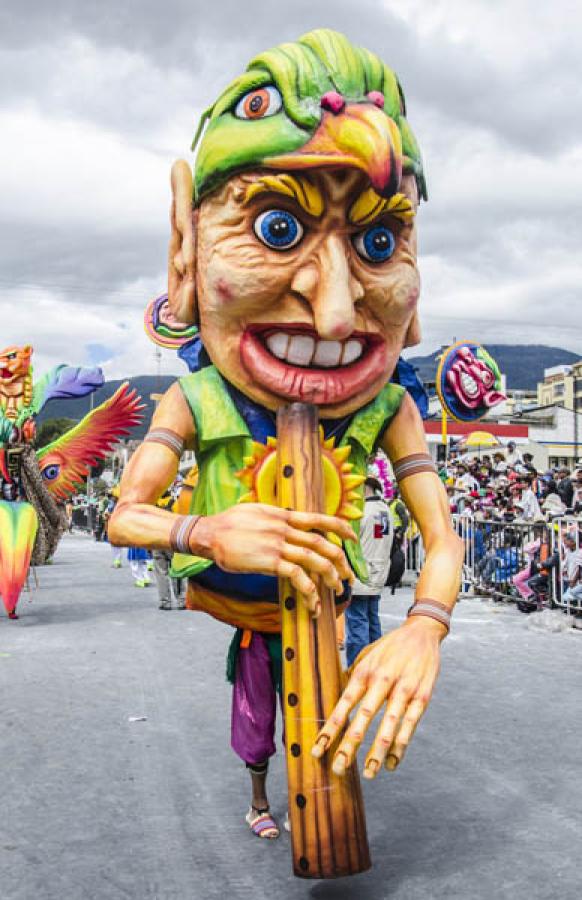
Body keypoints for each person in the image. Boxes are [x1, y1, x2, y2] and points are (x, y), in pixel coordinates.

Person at [109, 29, 463, 844]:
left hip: (328, 602)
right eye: (276, 228)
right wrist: (205, 531)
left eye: (380, 242)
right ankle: (261, 789)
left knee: (334, 707)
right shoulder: (197, 398)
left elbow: (442, 536)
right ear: (186, 250)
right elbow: (127, 514)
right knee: (254, 705)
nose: (337, 312)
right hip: (242, 600)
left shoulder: (386, 409)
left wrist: (425, 626)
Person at [345, 478, 393, 666]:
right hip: (379, 572)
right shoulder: (385, 509)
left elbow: (349, 542)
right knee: (373, 622)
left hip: (361, 574)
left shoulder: (361, 511)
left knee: (357, 625)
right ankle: (376, 666)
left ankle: (358, 668)